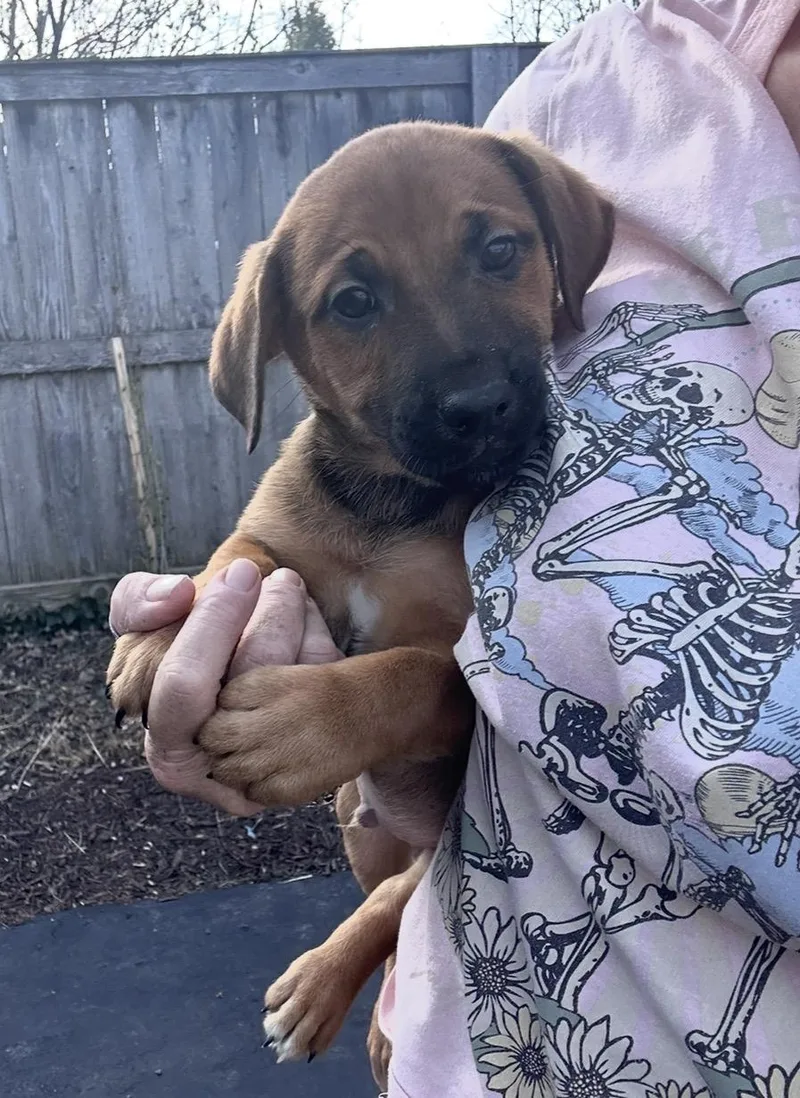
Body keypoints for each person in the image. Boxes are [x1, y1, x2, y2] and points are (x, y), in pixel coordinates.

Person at [110, 1, 800, 1093]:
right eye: (356, 304)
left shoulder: (499, 503)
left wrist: (363, 713)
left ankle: (379, 937)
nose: (465, 373)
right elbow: (252, 560)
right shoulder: (613, 80)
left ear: (559, 248)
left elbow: (474, 712)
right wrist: (190, 626)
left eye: (494, 256)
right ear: (280, 350)